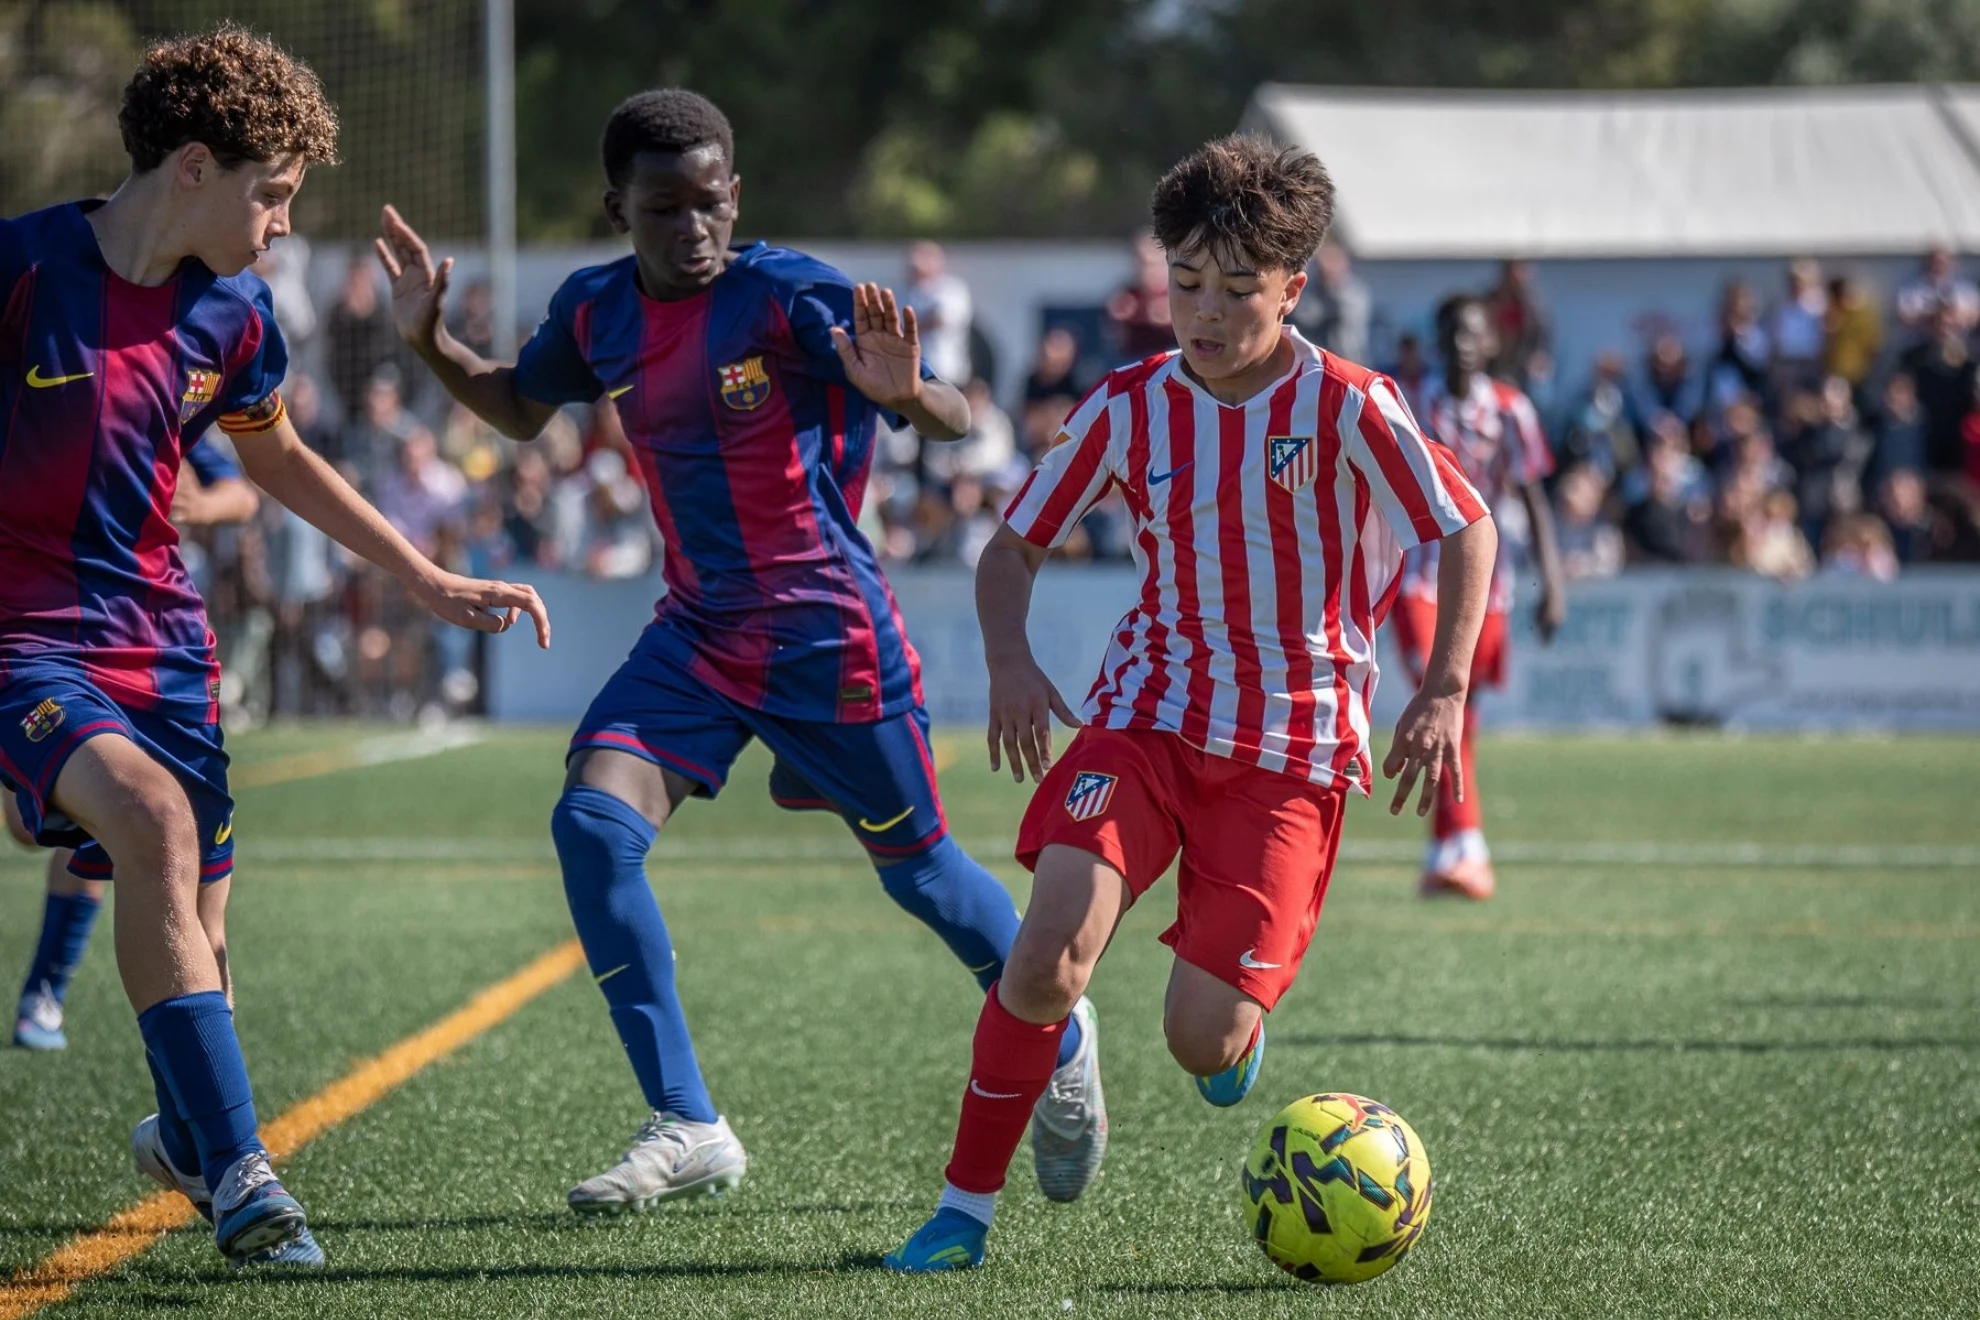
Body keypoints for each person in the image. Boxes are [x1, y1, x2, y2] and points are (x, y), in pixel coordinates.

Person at [378, 89, 1103, 1216]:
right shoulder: (594, 311)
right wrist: (428, 338)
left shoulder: (789, 295)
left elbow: (954, 413)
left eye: (709, 202)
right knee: (590, 826)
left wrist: (915, 394)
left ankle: (1057, 1031)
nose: (692, 227)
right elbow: (520, 409)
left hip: (828, 636)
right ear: (620, 207)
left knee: (918, 876)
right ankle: (689, 1120)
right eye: (663, 207)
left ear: (735, 196)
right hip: (700, 634)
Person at [884, 133, 1495, 1273]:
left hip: (1290, 746)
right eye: (1187, 284)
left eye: (1236, 290)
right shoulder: (1128, 406)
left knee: (1200, 1041)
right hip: (1148, 718)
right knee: (1045, 951)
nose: (1204, 313)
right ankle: (963, 1211)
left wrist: (1445, 686)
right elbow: (1010, 550)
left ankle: (1227, 1040)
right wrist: (1010, 661)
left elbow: (1466, 526)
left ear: (1294, 289)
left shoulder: (1351, 405)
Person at [0, 25, 548, 1270]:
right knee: (151, 827)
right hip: (27, 642)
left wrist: (420, 573)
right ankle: (250, 1183)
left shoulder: (238, 319)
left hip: (168, 652)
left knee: (203, 926)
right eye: (276, 194)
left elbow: (281, 460)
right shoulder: (22, 270)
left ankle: (200, 1142)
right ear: (194, 166)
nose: (287, 225)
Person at [11, 444, 258, 1053]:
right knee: (30, 824)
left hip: (149, 647)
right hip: (46, 635)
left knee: (131, 824)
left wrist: (196, 504)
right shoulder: (43, 374)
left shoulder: (169, 381)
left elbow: (246, 493)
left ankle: (48, 996)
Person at [1390, 294, 1563, 901]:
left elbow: (1536, 498)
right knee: (1439, 693)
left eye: (1473, 333)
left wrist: (1554, 582)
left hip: (1490, 584)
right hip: (1418, 577)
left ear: (1491, 342)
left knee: (1459, 710)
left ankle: (1448, 849)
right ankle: (1471, 846)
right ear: (1438, 342)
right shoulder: (1410, 405)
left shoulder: (1513, 410)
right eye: (1451, 333)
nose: (1462, 343)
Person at [1104, 228, 1176, 361]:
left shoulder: (1179, 294)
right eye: (1142, 264)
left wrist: (1174, 319)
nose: (1148, 271)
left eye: (1153, 264)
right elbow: (1114, 343)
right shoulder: (1126, 297)